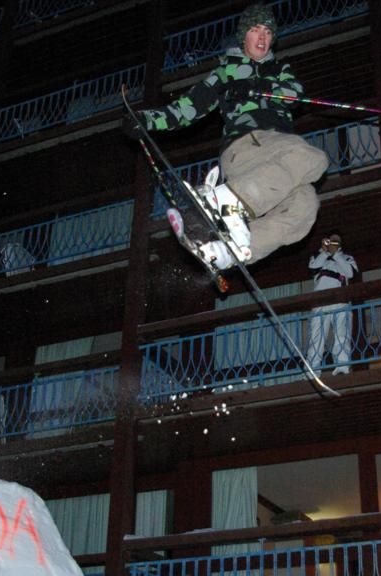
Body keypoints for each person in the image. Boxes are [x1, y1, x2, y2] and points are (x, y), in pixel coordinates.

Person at [125, 3, 329, 269]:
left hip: (276, 153)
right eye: (256, 31)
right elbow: (188, 108)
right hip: (246, 145)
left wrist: (258, 87)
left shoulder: (279, 69)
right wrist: (146, 120)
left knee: (306, 204)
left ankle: (226, 253)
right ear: (243, 35)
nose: (262, 38)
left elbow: (295, 96)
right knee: (315, 158)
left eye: (268, 32)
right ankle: (228, 201)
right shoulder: (226, 71)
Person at [306, 233, 357, 376]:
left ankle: (342, 365)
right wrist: (324, 251)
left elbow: (351, 273)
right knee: (316, 337)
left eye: (336, 241)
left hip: (340, 299)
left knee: (342, 333)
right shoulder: (318, 257)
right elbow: (312, 269)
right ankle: (313, 370)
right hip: (319, 301)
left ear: (340, 244)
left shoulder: (347, 258)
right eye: (331, 240)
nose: (333, 243)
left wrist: (336, 254)